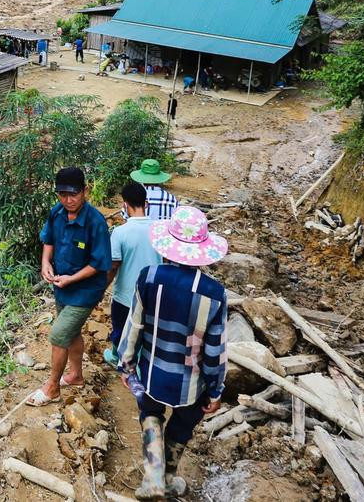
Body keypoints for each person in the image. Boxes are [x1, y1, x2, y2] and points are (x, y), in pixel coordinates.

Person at [116, 206, 228, 500]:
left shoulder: (148, 277)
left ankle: (153, 476)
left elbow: (134, 325)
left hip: (152, 372)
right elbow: (215, 350)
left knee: (150, 414)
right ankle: (168, 477)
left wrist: (125, 365)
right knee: (183, 424)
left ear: (169, 245)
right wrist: (215, 390)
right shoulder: (214, 294)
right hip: (190, 382)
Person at [27, 167, 112, 406]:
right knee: (72, 332)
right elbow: (49, 239)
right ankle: (75, 375)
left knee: (59, 334)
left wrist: (71, 279)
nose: (68, 200)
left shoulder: (95, 222)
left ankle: (52, 387)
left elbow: (99, 264)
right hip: (62, 286)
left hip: (85, 290)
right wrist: (45, 263)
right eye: (62, 194)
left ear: (85, 191)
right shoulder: (57, 213)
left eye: (73, 194)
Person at [103, 182, 159, 367]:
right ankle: (143, 363)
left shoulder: (120, 233)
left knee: (121, 329)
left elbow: (113, 266)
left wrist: (102, 288)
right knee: (148, 332)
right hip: (154, 294)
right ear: (146, 203)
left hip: (126, 295)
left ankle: (121, 361)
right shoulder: (159, 231)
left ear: (124, 204)